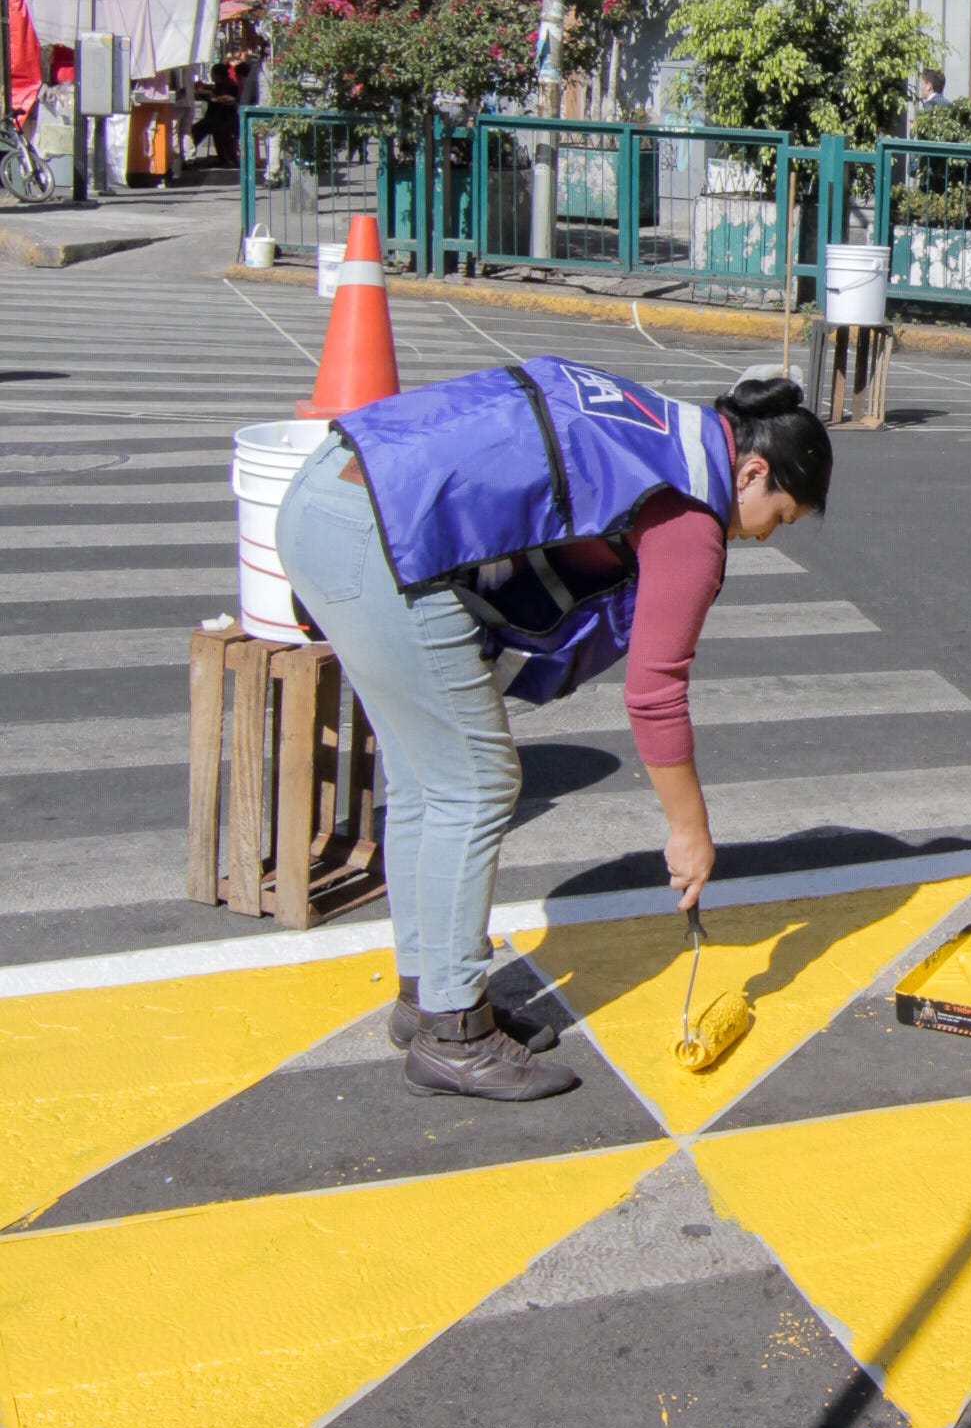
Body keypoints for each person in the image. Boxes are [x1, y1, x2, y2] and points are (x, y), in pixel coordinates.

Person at [276, 360, 833, 1103]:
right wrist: (690, 830)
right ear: (755, 469)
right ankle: (452, 1034)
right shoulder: (691, 515)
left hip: (328, 494)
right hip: (382, 538)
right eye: (780, 517)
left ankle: (429, 999)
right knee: (475, 783)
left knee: (426, 778)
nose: (762, 537)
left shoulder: (657, 425)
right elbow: (656, 693)